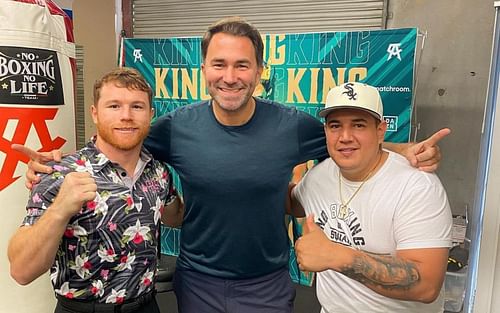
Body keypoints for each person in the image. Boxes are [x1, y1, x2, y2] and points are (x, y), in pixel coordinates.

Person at [19, 17, 449, 313]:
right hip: (197, 281)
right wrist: (58, 163)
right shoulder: (174, 127)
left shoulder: (291, 126)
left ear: (259, 70)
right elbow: (118, 137)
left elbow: (349, 140)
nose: (230, 75)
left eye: (242, 64)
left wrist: (404, 148)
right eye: (219, 64)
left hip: (267, 282)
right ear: (204, 68)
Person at [8, 67, 182, 313]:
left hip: (146, 306)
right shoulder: (59, 174)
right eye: (114, 106)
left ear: (150, 114)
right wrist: (60, 209)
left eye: (137, 106)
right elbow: (21, 271)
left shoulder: (158, 172)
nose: (126, 116)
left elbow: (176, 216)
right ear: (95, 113)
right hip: (83, 309)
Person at [290, 82, 452, 313]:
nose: (345, 137)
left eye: (358, 125)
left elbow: (426, 285)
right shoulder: (319, 177)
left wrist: (336, 256)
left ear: (380, 130)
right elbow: (289, 202)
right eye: (335, 126)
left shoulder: (417, 187)